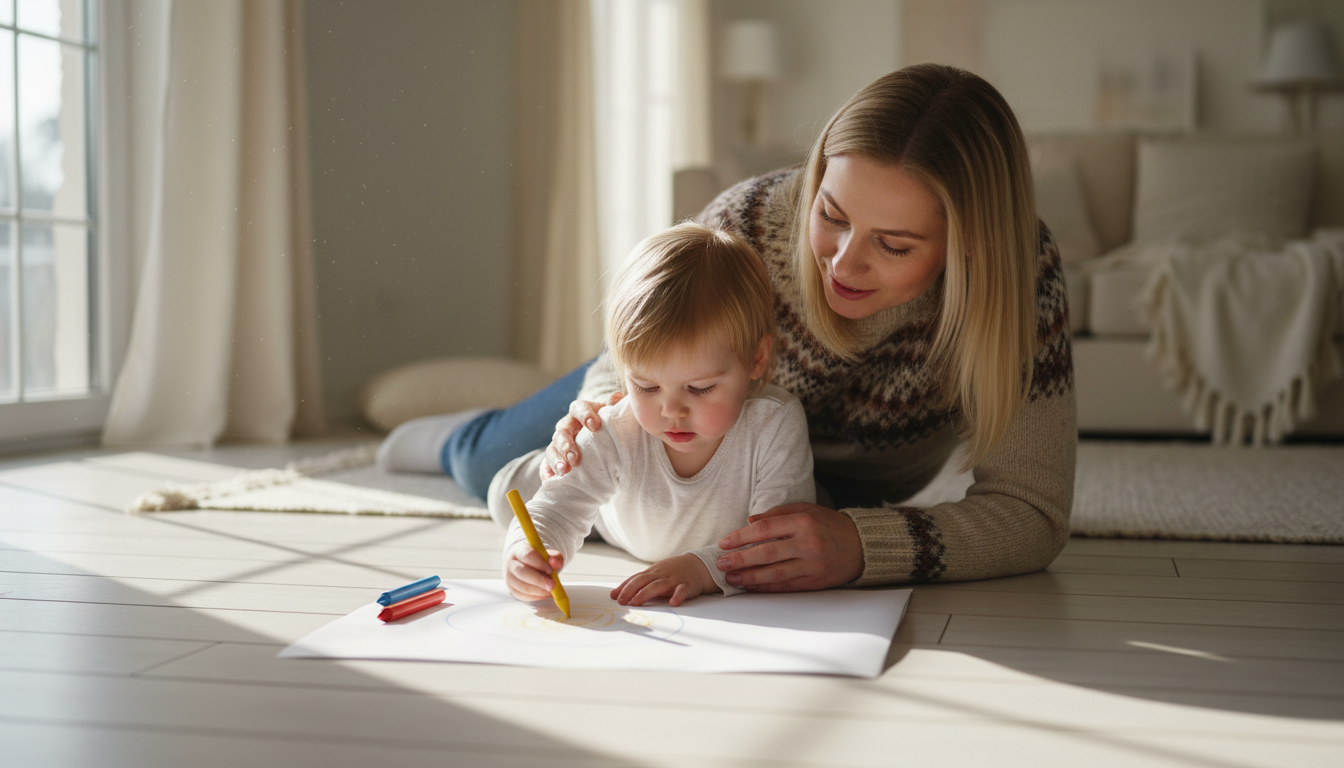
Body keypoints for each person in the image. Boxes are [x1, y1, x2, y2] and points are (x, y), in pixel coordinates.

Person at [379, 63, 1076, 592]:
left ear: (971, 245)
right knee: (495, 467)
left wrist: (864, 546)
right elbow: (649, 362)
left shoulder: (1017, 281)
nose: (842, 261)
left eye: (894, 246)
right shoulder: (749, 226)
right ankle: (451, 434)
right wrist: (590, 422)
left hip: (834, 480)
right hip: (674, 402)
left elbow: (1031, 514)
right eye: (830, 214)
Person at [489, 223, 814, 607]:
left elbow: (775, 544)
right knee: (503, 495)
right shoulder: (615, 427)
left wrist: (700, 569)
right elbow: (554, 510)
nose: (670, 410)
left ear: (756, 359)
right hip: (606, 512)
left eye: (699, 388)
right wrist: (526, 554)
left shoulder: (775, 424)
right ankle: (429, 440)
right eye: (645, 387)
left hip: (633, 517)